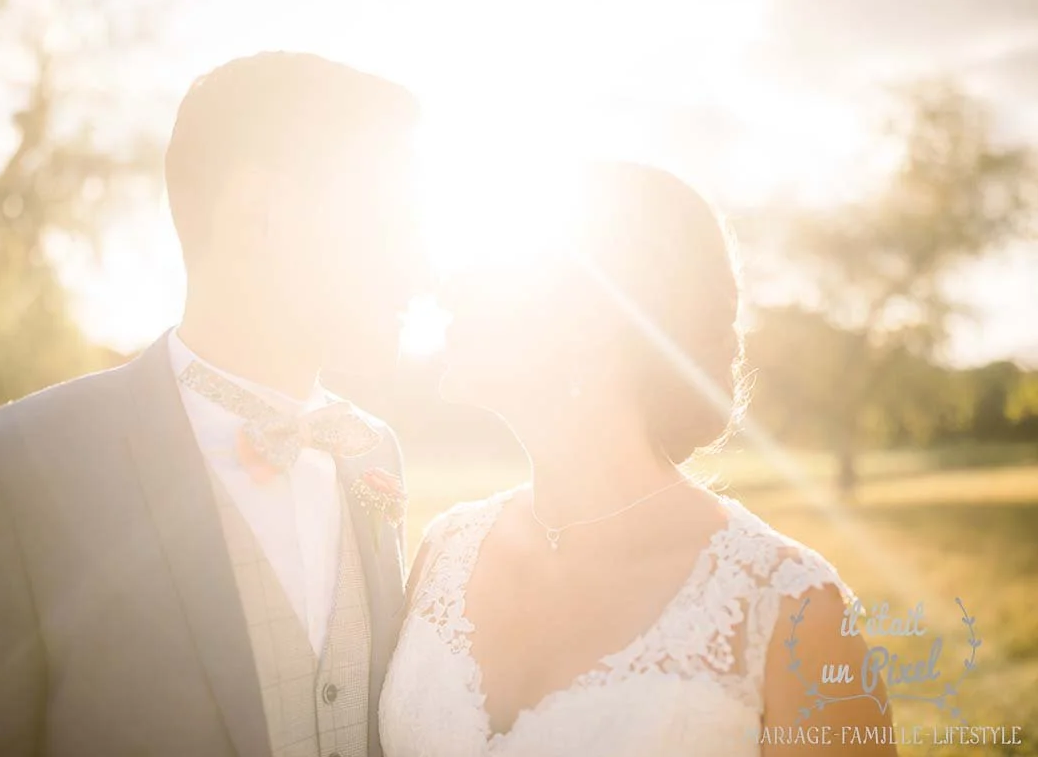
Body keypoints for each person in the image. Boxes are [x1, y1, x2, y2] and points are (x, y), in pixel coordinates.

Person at [0, 51, 421, 757]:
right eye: (391, 221)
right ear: (256, 216)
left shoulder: (371, 451)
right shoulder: (1, 481)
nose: (421, 267)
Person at [378, 161, 896, 756]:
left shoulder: (792, 610)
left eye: (493, 270)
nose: (447, 288)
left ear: (595, 322)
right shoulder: (444, 552)